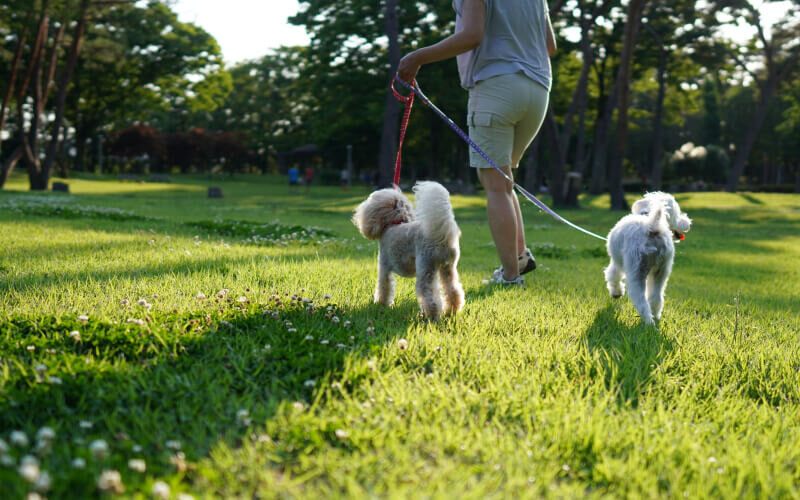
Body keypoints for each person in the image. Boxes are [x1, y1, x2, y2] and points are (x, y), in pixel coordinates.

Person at [397, 0, 556, 286]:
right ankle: (520, 257)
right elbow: (550, 46)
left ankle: (510, 277)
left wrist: (415, 58)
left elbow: (472, 34)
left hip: (496, 87)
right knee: (504, 181)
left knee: (496, 186)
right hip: (538, 89)